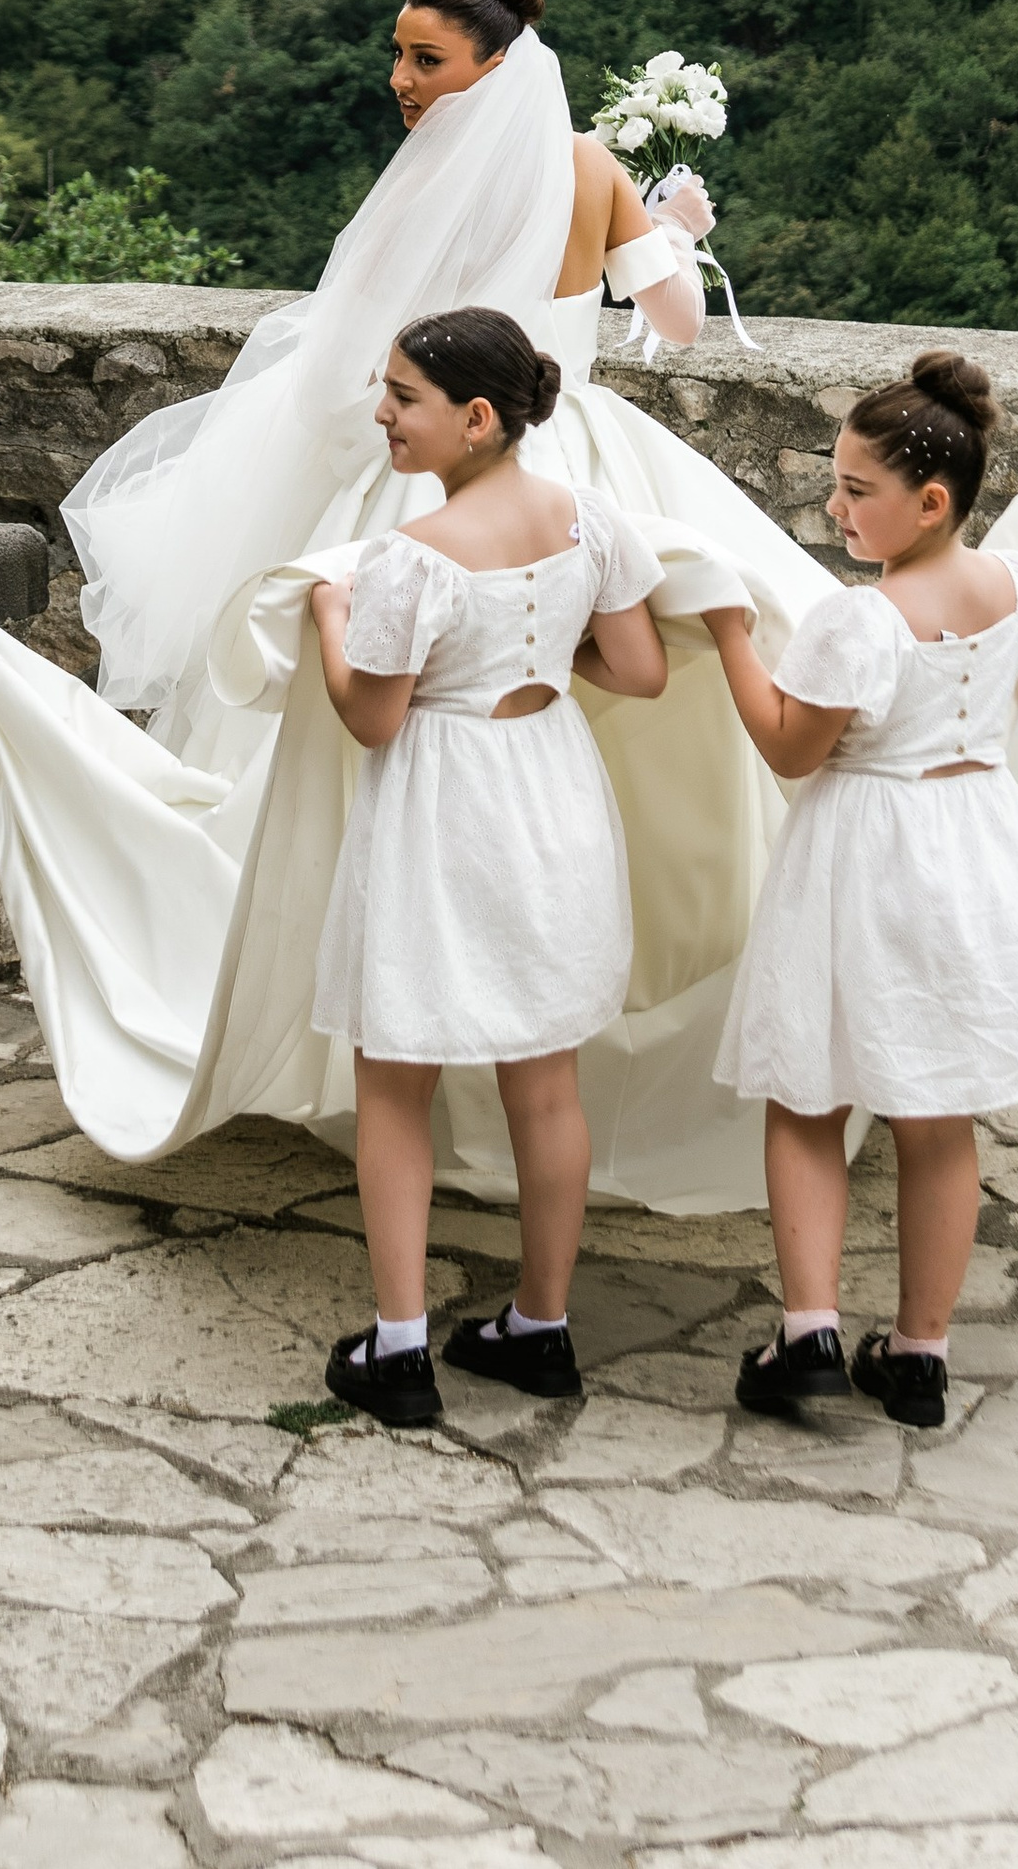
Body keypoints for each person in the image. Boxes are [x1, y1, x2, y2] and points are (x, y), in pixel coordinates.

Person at [0, 0, 1018, 1219]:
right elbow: (674, 324)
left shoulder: (424, 191)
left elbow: (350, 376)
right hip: (590, 464)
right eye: (399, 56)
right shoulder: (594, 168)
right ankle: (593, 1048)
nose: (400, 80)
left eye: (425, 61)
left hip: (453, 478)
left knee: (368, 763)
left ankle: (399, 1040)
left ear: (490, 68)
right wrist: (674, 231)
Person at [701, 352, 1018, 1423]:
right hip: (974, 851)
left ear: (930, 502)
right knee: (938, 1115)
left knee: (809, 1096)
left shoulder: (856, 619)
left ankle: (810, 1334)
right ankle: (918, 1354)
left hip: (864, 858)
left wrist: (730, 636)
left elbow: (791, 748)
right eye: (834, 484)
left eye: (854, 491)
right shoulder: (1013, 588)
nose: (833, 508)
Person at [306, 306, 668, 1427]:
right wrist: (543, 654)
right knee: (544, 1078)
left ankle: (403, 1346)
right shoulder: (590, 524)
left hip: (441, 806)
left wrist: (330, 613)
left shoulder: (407, 561)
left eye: (402, 396)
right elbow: (642, 668)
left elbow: (371, 719)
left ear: (474, 418)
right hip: (550, 792)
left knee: (394, 1075)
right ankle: (541, 1327)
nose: (382, 413)